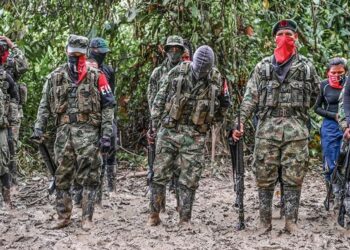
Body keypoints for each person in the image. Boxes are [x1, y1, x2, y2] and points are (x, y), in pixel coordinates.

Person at [232, 19, 320, 233]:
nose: (285, 39)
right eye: (281, 35)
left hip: (296, 131)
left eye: (289, 35)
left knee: (294, 176)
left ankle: (291, 222)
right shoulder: (262, 67)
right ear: (274, 39)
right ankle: (265, 222)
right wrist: (241, 121)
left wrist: (298, 113)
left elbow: (316, 95)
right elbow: (250, 98)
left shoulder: (306, 67)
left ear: (296, 38)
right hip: (267, 131)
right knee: (264, 176)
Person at [32, 34, 115, 230]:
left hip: (88, 134)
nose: (75, 58)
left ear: (85, 54)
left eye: (79, 55)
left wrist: (106, 134)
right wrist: (38, 128)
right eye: (72, 54)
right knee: (61, 176)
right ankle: (63, 217)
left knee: (91, 176)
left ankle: (87, 217)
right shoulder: (55, 77)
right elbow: (44, 105)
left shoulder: (97, 76)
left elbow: (109, 105)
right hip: (64, 134)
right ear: (66, 51)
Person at [148, 45, 230, 226]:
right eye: (198, 67)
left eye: (204, 69)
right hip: (170, 130)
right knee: (159, 175)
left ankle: (185, 219)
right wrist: (155, 127)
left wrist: (210, 124)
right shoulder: (176, 73)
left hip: (195, 135)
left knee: (189, 179)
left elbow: (224, 107)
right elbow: (158, 102)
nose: (200, 71)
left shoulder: (217, 79)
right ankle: (154, 216)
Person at [146, 35, 185, 211]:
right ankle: (158, 207)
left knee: (181, 168)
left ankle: (180, 205)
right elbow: (152, 100)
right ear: (166, 50)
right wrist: (153, 127)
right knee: (159, 169)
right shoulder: (158, 73)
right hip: (162, 125)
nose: (174, 52)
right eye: (171, 49)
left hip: (183, 126)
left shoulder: (188, 71)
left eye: (177, 49)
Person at [314, 58, 347, 207]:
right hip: (330, 125)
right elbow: (316, 108)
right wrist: (333, 115)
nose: (337, 75)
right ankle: (332, 193)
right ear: (328, 72)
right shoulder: (323, 85)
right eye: (334, 72)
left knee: (346, 161)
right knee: (330, 162)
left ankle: (344, 195)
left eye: (340, 72)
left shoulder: (348, 84)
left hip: (347, 125)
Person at [0, 36, 28, 185]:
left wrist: (12, 45)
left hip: (13, 107)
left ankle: (13, 177)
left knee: (12, 143)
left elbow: (24, 65)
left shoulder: (11, 62)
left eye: (3, 47)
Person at [0, 65, 19, 209]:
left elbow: (14, 98)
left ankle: (7, 200)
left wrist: (11, 122)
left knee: (2, 161)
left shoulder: (5, 76)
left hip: (1, 126)